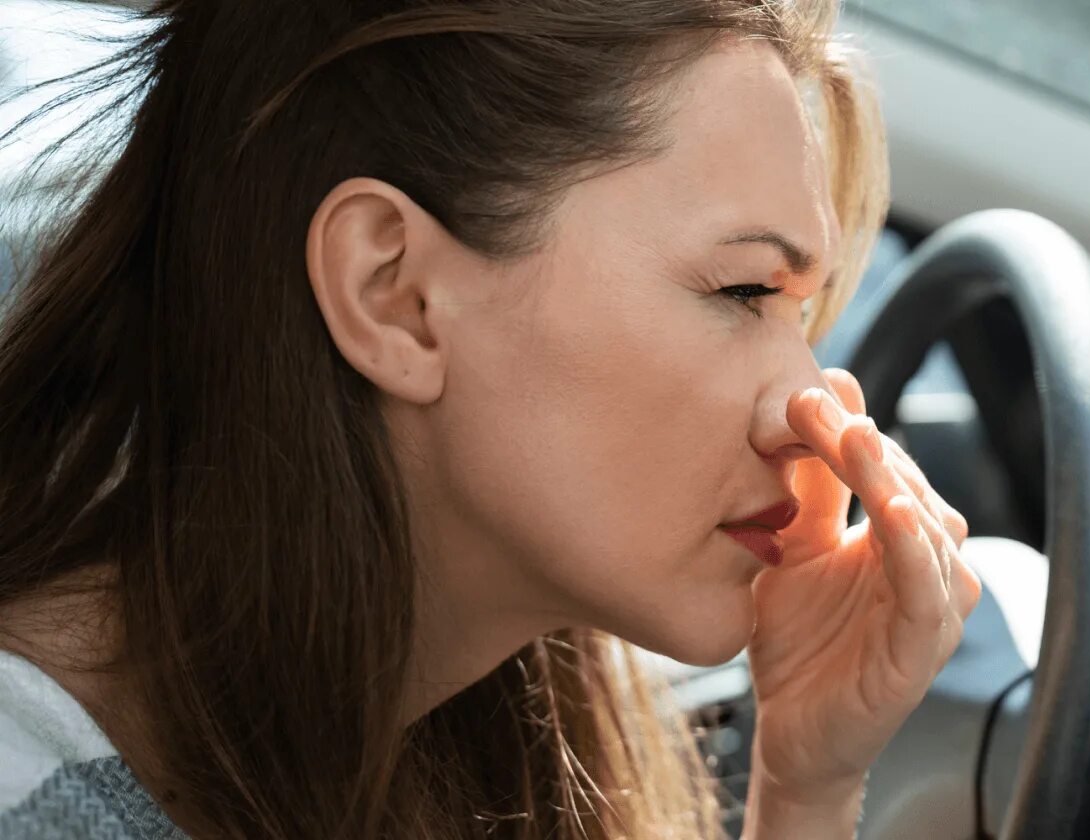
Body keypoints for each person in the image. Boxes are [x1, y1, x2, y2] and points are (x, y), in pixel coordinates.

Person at [0, 0, 980, 837]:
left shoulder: (473, 732)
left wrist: (804, 790)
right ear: (396, 293)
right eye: (739, 291)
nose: (809, 404)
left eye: (802, 319)